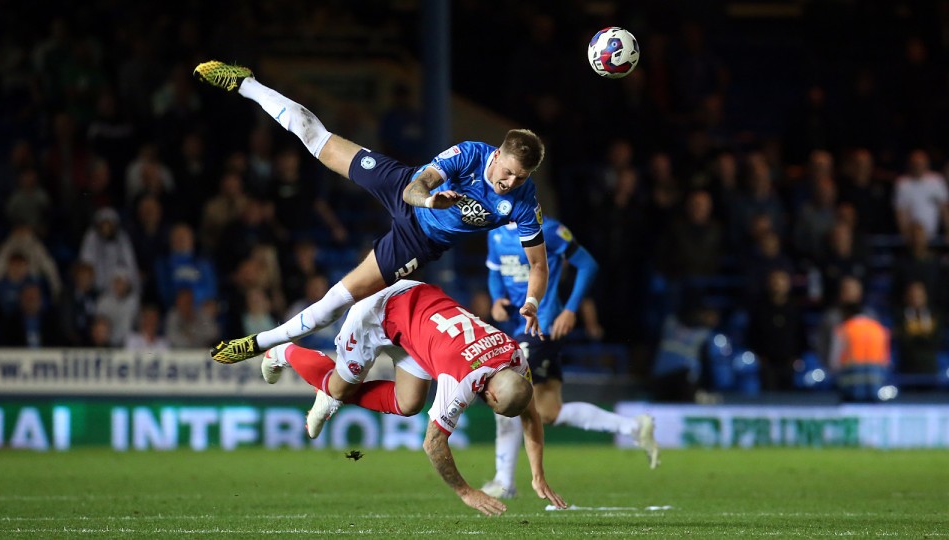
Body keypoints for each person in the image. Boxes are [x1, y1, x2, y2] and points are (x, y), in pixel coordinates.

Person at [194, 61, 549, 364]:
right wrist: (430, 201)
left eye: (521, 177)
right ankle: (245, 83)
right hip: (400, 185)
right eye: (508, 171)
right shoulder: (470, 153)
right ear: (498, 155)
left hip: (418, 242)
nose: (510, 181)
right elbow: (415, 188)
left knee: (337, 302)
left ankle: (259, 343)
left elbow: (537, 265)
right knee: (315, 136)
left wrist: (532, 302)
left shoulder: (524, 201)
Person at [257, 280, 567, 516]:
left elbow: (530, 413)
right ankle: (284, 353)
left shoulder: (515, 358)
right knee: (339, 387)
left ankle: (330, 398)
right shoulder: (461, 379)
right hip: (380, 310)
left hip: (422, 313)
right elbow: (432, 444)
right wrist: (466, 492)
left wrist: (538, 476)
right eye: (499, 410)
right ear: (491, 395)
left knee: (409, 403)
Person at [481, 217, 658, 499]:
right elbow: (494, 270)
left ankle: (504, 482)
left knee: (504, 398)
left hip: (542, 326)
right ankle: (634, 426)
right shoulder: (495, 233)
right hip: (519, 328)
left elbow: (588, 264)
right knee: (549, 411)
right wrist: (496, 298)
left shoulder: (548, 230)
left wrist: (571, 309)